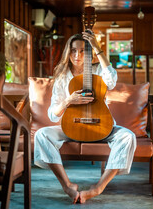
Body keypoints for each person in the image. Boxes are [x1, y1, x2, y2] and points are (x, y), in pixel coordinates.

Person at [34, 30, 137, 204]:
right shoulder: (61, 76)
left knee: (128, 136)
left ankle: (98, 188)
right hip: (72, 126)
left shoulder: (98, 70)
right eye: (73, 50)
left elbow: (111, 81)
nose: (77, 55)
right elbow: (52, 115)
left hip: (101, 126)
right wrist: (68, 100)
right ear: (68, 52)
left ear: (88, 52)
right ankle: (67, 185)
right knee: (41, 135)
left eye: (82, 50)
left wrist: (96, 47)